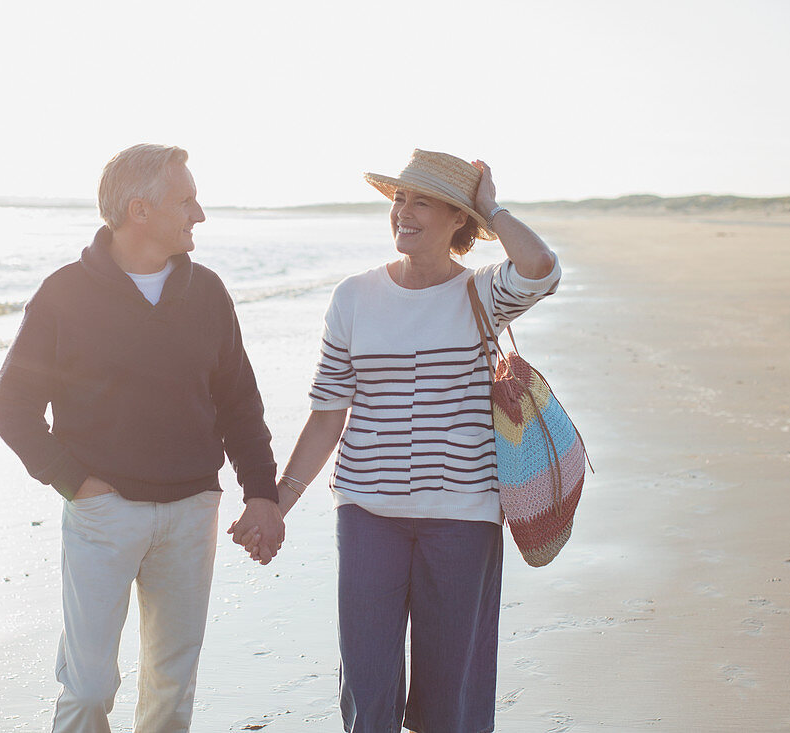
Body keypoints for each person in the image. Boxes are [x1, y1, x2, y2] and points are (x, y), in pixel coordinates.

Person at [239, 149, 561, 732]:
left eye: (424, 202)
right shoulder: (353, 298)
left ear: (459, 219)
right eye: (400, 199)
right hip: (367, 510)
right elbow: (325, 417)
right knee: (367, 685)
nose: (403, 213)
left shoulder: (484, 295)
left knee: (451, 696)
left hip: (464, 514)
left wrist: (492, 205)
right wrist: (276, 504)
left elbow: (540, 265)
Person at [0, 143, 284, 733]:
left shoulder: (208, 294)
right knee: (90, 684)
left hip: (192, 509)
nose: (198, 213)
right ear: (139, 210)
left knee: (172, 682)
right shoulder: (64, 293)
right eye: (187, 200)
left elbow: (240, 406)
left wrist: (262, 494)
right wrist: (77, 482)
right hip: (104, 511)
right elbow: (10, 406)